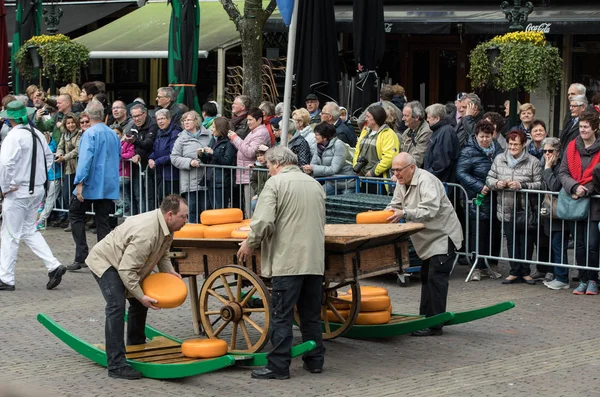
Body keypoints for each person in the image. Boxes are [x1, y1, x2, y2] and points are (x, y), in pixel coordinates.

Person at [237, 146, 326, 379]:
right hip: (314, 260)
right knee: (310, 314)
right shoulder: (314, 184)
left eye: (267, 166)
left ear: (277, 163)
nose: (267, 171)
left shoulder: (276, 184)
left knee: (282, 314)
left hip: (288, 260)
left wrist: (250, 243)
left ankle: (278, 366)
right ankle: (315, 361)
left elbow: (263, 221)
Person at [87, 195, 188, 380]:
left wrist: (170, 272)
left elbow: (162, 253)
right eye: (184, 216)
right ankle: (116, 365)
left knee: (138, 303)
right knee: (116, 306)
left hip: (126, 264)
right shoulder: (147, 233)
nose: (186, 221)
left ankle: (136, 348)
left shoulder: (167, 227)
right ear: (170, 215)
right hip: (106, 262)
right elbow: (126, 270)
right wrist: (141, 296)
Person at [385, 152, 463, 336]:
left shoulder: (426, 181)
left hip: (442, 237)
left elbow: (430, 210)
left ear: (412, 167)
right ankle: (425, 318)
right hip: (428, 239)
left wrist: (404, 213)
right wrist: (386, 213)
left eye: (399, 170)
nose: (395, 174)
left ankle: (434, 324)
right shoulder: (401, 181)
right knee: (427, 276)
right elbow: (395, 204)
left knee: (436, 278)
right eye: (393, 170)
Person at [0, 101, 67, 291]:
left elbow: (5, 164)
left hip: (18, 191)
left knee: (10, 234)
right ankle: (53, 265)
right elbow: (49, 157)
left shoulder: (13, 136)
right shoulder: (36, 134)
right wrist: (38, 176)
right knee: (29, 230)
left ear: (9, 118)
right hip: (35, 189)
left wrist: (6, 186)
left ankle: (6, 278)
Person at [67, 100, 121, 272]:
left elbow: (85, 160)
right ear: (104, 115)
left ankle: (81, 255)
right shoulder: (113, 134)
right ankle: (103, 258)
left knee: (75, 214)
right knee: (103, 221)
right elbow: (118, 155)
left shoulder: (89, 134)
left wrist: (80, 183)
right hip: (108, 183)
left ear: (88, 116)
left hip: (91, 184)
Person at [486, 129, 542, 285]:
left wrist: (521, 185)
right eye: (510, 144)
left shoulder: (533, 162)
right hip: (506, 207)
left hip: (526, 209)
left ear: (523, 144)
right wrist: (497, 183)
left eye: (515, 144)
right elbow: (489, 178)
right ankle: (513, 271)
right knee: (511, 241)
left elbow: (540, 184)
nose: (512, 147)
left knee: (526, 241)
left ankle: (525, 272)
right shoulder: (499, 159)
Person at [456, 120, 504, 281]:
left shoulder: (498, 150)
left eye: (488, 136)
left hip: (496, 197)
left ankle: (492, 264)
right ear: (476, 135)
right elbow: (461, 172)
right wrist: (478, 186)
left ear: (493, 136)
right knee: (478, 232)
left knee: (495, 233)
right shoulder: (468, 151)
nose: (484, 139)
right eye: (482, 136)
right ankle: (477, 266)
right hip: (477, 197)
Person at [558, 111, 600, 295]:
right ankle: (582, 278)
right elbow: (563, 172)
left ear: (595, 128)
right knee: (580, 244)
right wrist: (575, 187)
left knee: (592, 245)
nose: (582, 130)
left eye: (585, 127)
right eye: (580, 126)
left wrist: (586, 189)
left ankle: (593, 279)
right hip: (574, 202)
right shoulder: (572, 146)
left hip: (594, 204)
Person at [539, 137, 570, 290]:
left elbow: (554, 186)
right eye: (544, 151)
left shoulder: (561, 165)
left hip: (560, 210)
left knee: (559, 244)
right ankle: (557, 275)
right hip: (549, 211)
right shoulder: (544, 163)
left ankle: (562, 277)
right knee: (554, 244)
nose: (547, 154)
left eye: (550, 151)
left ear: (557, 151)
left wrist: (547, 169)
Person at [170, 111, 212, 223]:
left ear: (196, 121)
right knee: (191, 210)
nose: (186, 122)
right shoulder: (181, 139)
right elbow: (174, 158)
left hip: (206, 180)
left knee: (206, 210)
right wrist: (189, 162)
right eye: (184, 120)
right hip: (189, 181)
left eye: (189, 120)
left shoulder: (208, 135)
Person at [228, 107, 271, 217]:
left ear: (259, 120)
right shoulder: (253, 132)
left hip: (252, 174)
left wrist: (235, 138)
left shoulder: (260, 133)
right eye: (247, 120)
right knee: (248, 207)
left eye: (250, 120)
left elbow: (250, 152)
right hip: (246, 174)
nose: (248, 123)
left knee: (252, 208)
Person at [353, 104, 400, 193]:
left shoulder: (389, 134)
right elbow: (357, 151)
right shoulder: (365, 132)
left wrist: (373, 172)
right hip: (363, 178)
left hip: (379, 180)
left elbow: (389, 157)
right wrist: (356, 167)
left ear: (375, 118)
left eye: (368, 116)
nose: (365, 119)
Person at [303, 122, 355, 195]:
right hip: (332, 182)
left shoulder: (338, 145)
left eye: (317, 135)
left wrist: (313, 168)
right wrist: (309, 170)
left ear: (325, 137)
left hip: (346, 183)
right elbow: (313, 164)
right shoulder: (318, 146)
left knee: (346, 205)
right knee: (316, 194)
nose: (315, 137)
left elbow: (334, 169)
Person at [200, 116, 237, 209]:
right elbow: (208, 160)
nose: (211, 130)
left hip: (221, 181)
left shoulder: (229, 143)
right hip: (210, 179)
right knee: (211, 208)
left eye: (213, 127)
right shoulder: (213, 140)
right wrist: (201, 154)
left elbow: (227, 161)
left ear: (220, 128)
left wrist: (213, 153)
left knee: (219, 208)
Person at [148, 109, 182, 205]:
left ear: (169, 119)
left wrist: (157, 162)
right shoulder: (159, 132)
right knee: (163, 200)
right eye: (158, 119)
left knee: (173, 202)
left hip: (172, 173)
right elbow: (155, 149)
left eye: (163, 118)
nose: (160, 121)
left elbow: (173, 154)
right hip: (160, 173)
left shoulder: (175, 132)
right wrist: (151, 158)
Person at [55, 112, 82, 230]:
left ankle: (75, 221)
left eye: (72, 123)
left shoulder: (80, 134)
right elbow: (60, 146)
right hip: (68, 169)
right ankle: (71, 219)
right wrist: (59, 154)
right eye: (68, 123)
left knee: (75, 196)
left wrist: (64, 157)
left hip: (78, 168)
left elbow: (77, 150)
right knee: (66, 195)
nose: (70, 125)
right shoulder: (64, 135)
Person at [423, 103, 459, 183]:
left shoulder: (446, 132)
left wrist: (429, 175)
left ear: (437, 118)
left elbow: (441, 161)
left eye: (429, 117)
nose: (427, 120)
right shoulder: (440, 131)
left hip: (441, 181)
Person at [399, 101, 432, 167]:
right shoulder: (407, 131)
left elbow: (418, 158)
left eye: (406, 116)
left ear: (417, 117)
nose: (403, 119)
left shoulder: (426, 131)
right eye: (403, 115)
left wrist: (402, 170)